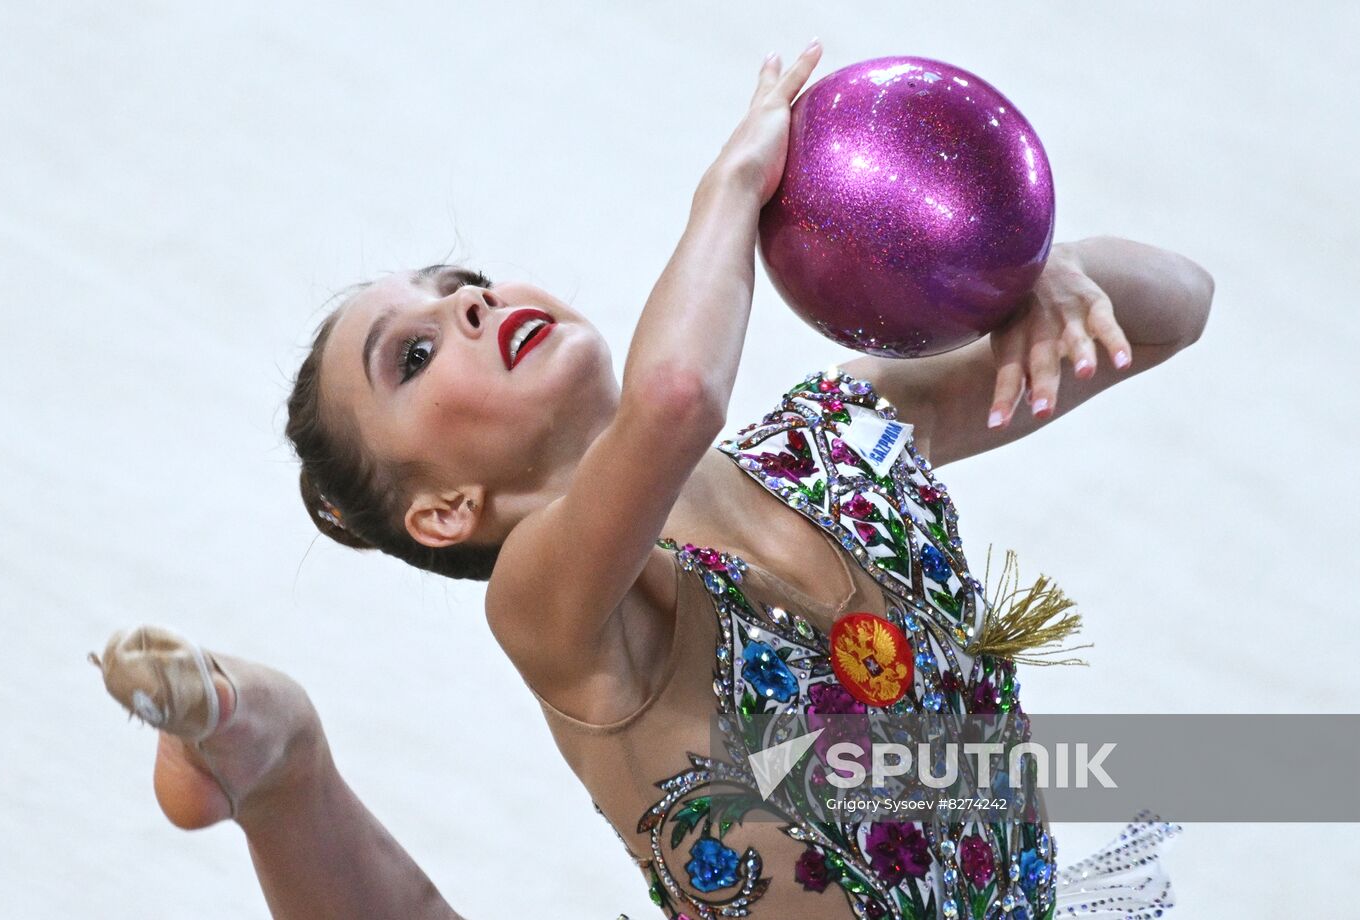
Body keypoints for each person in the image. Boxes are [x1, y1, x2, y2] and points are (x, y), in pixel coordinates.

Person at [92, 38, 1213, 919]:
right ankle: (277, 751)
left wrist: (1030, 268)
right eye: (416, 354)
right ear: (443, 511)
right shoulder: (546, 601)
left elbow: (1174, 308)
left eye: (462, 282)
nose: (466, 305)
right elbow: (676, 399)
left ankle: (273, 753)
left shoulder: (834, 437)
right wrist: (731, 185)